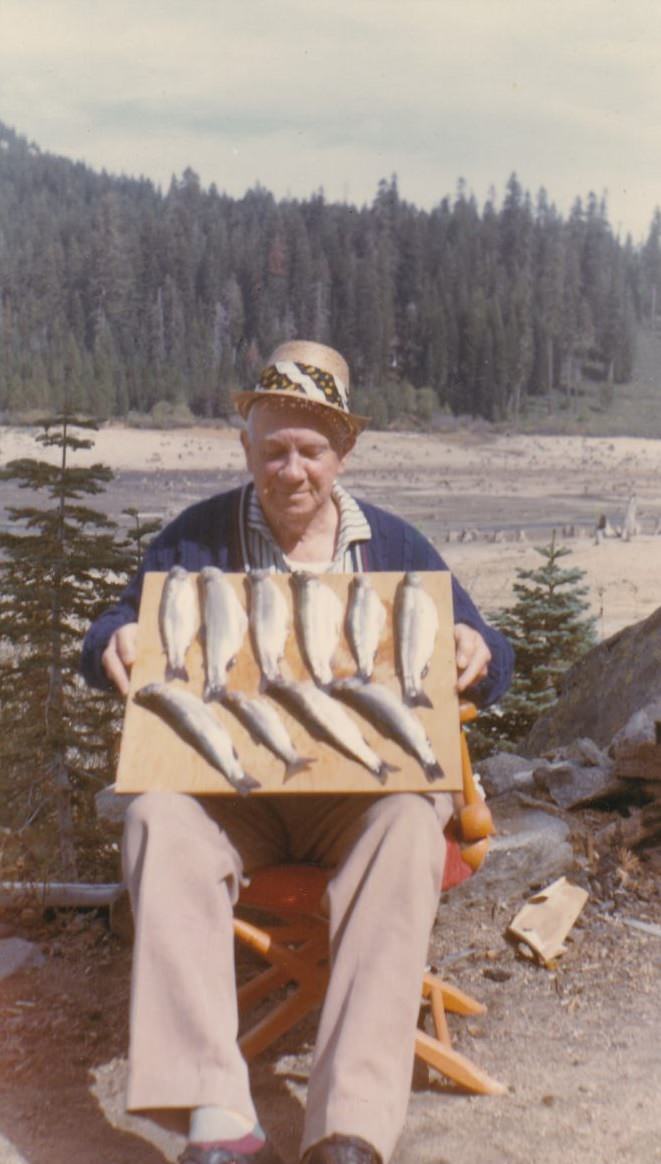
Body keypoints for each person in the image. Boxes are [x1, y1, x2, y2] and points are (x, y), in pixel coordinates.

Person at [81, 340, 513, 1164]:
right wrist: (115, 638)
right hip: (230, 801)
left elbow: (488, 648)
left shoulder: (395, 545)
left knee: (408, 824)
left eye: (310, 450)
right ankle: (218, 1111)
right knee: (157, 821)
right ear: (245, 447)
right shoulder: (192, 541)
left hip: (355, 804)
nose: (290, 470)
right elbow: (109, 629)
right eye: (272, 448)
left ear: (343, 451)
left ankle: (348, 1126)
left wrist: (475, 644)